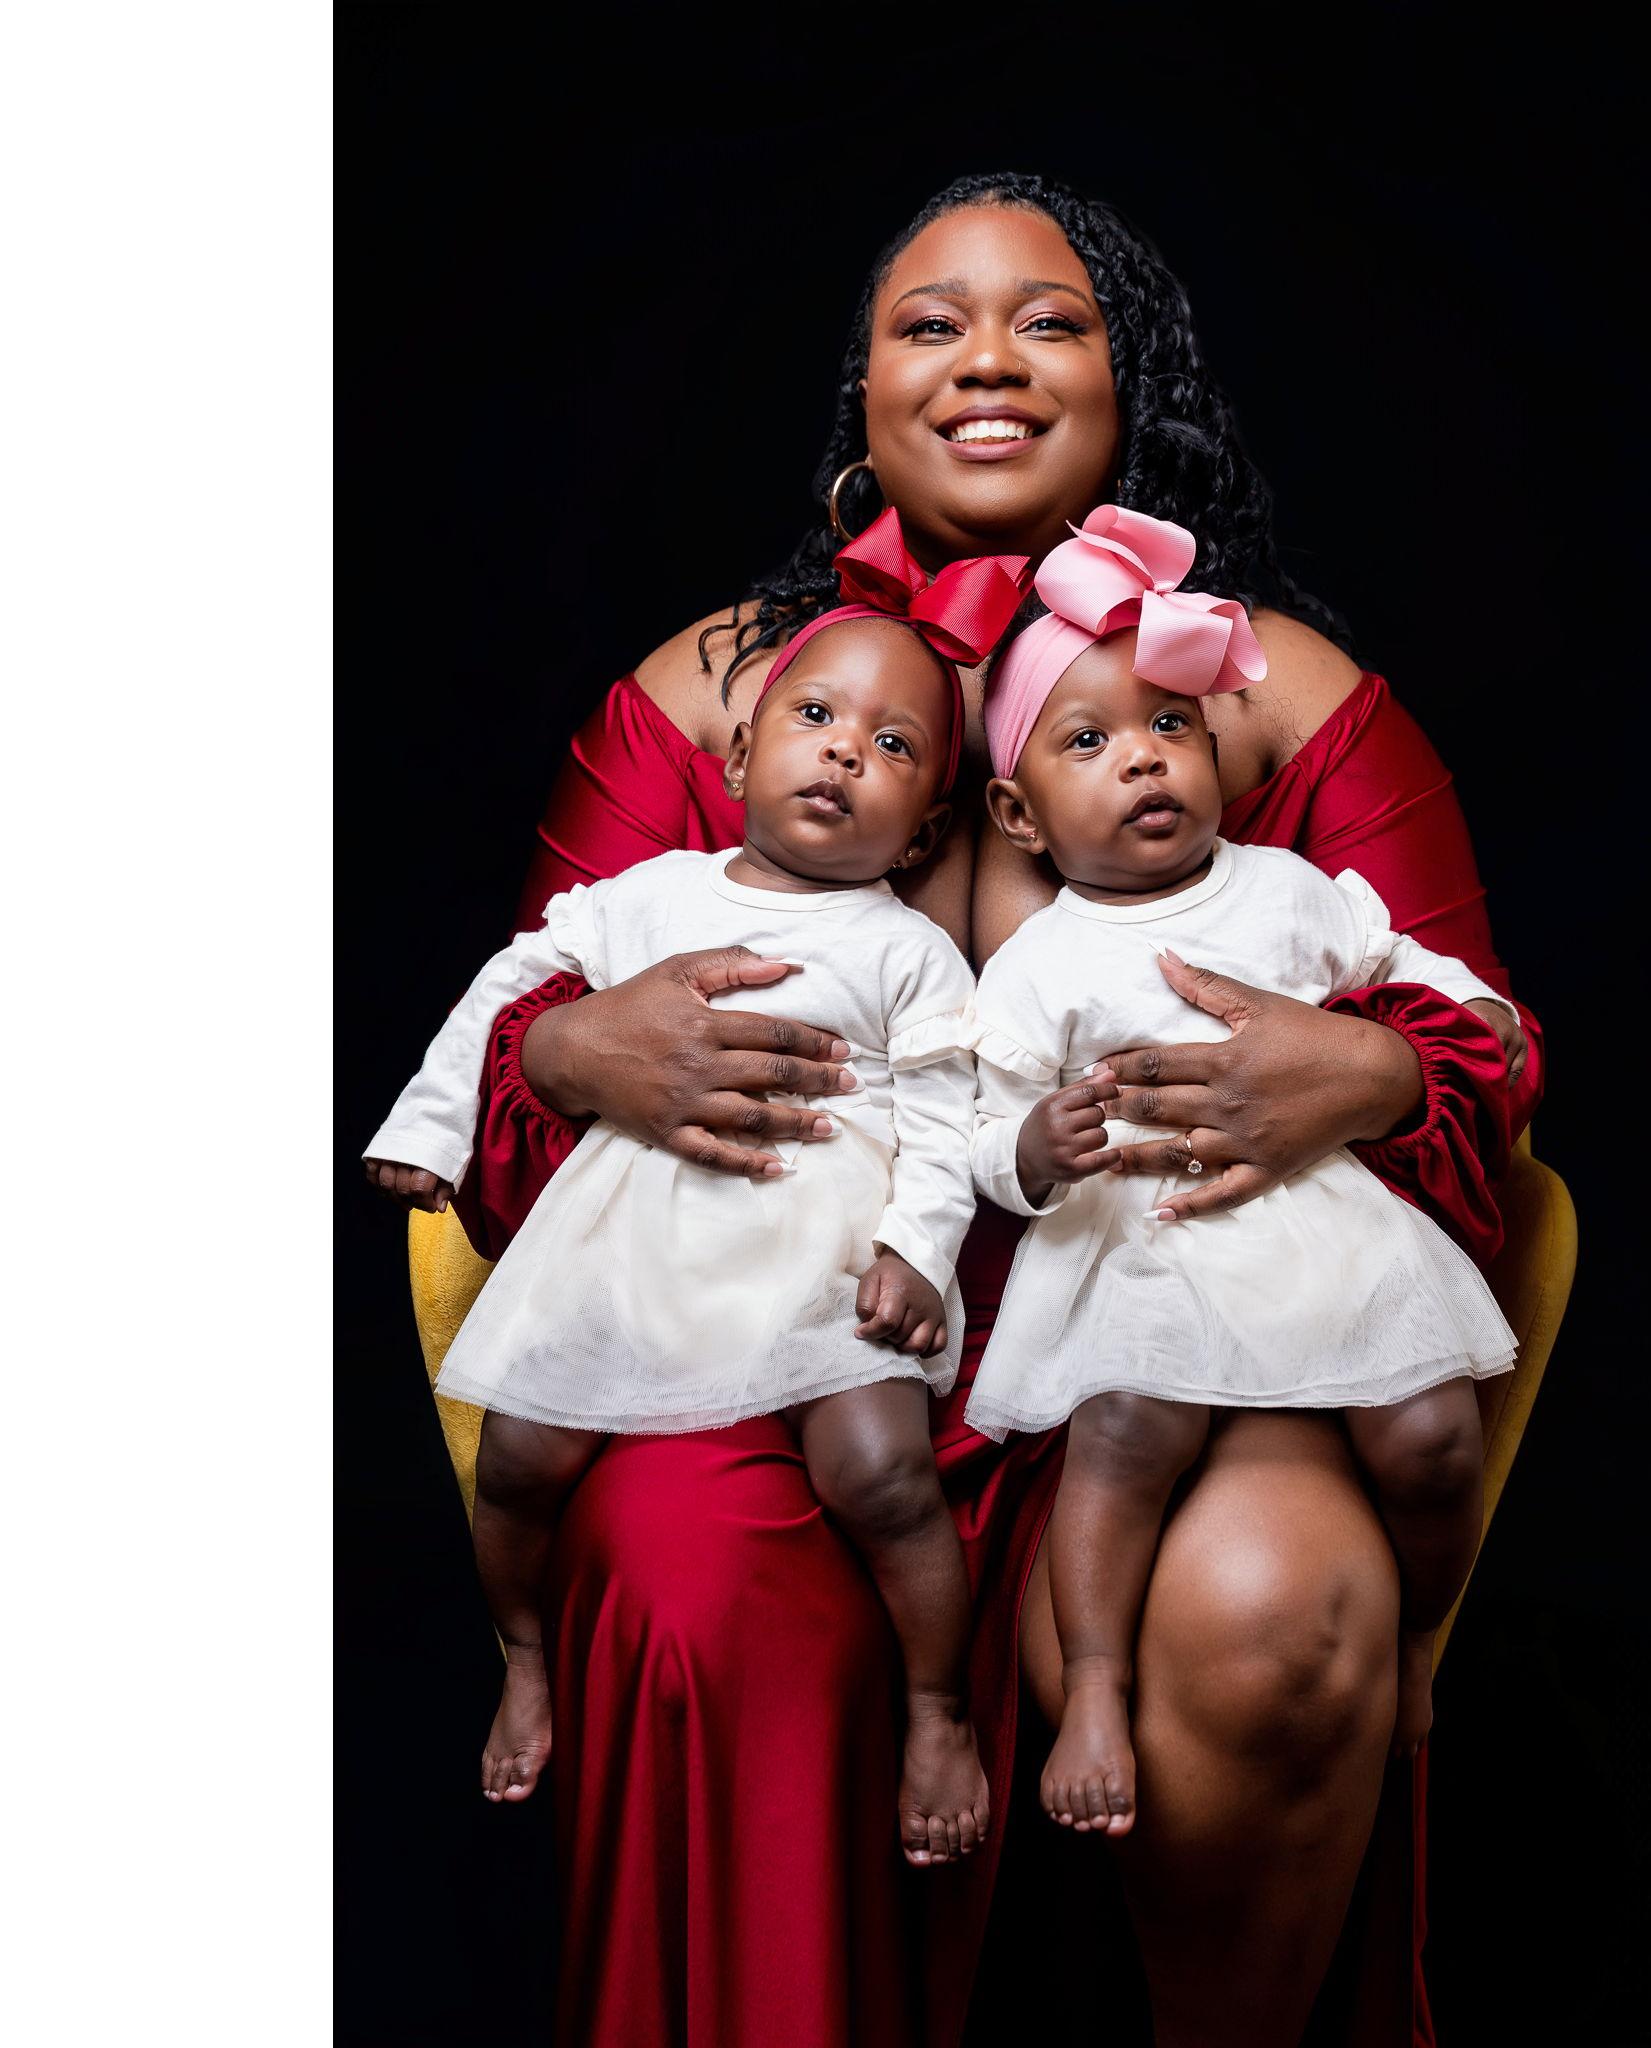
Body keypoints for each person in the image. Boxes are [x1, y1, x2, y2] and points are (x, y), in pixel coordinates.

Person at [436, 172, 1543, 2046]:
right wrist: (567, 1053)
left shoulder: (1279, 693)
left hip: (1178, 1324)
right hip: (776, 1329)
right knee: (689, 1585)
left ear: (1132, 382)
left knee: (1274, 1607)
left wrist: (1368, 1069)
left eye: (1051, 321)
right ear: (863, 389)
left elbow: (1482, 1050)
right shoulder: (703, 694)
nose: (987, 363)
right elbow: (520, 1026)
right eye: (930, 325)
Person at [366, 531, 1028, 1863]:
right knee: (522, 1461)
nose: (845, 754)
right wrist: (433, 1126)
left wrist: (913, 1252)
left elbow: (951, 1118)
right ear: (736, 762)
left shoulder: (909, 953)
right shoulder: (646, 899)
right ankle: (525, 1656)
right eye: (816, 717)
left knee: (882, 1472)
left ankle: (938, 1708)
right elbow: (512, 986)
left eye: (894, 746)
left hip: (820, 1258)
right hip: (641, 1252)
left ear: (927, 829)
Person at [965, 507, 1524, 1842]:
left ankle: (1417, 1640)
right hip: (1148, 1237)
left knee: (1431, 1434)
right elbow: (983, 1131)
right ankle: (1097, 1688)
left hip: (1313, 1228)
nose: (1142, 758)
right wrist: (1034, 1149)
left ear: (1217, 751)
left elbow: (1400, 965)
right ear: (1017, 814)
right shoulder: (1038, 964)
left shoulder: (1286, 890)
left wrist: (1474, 1011)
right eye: (1088, 743)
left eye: (1172, 725)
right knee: (1125, 1432)